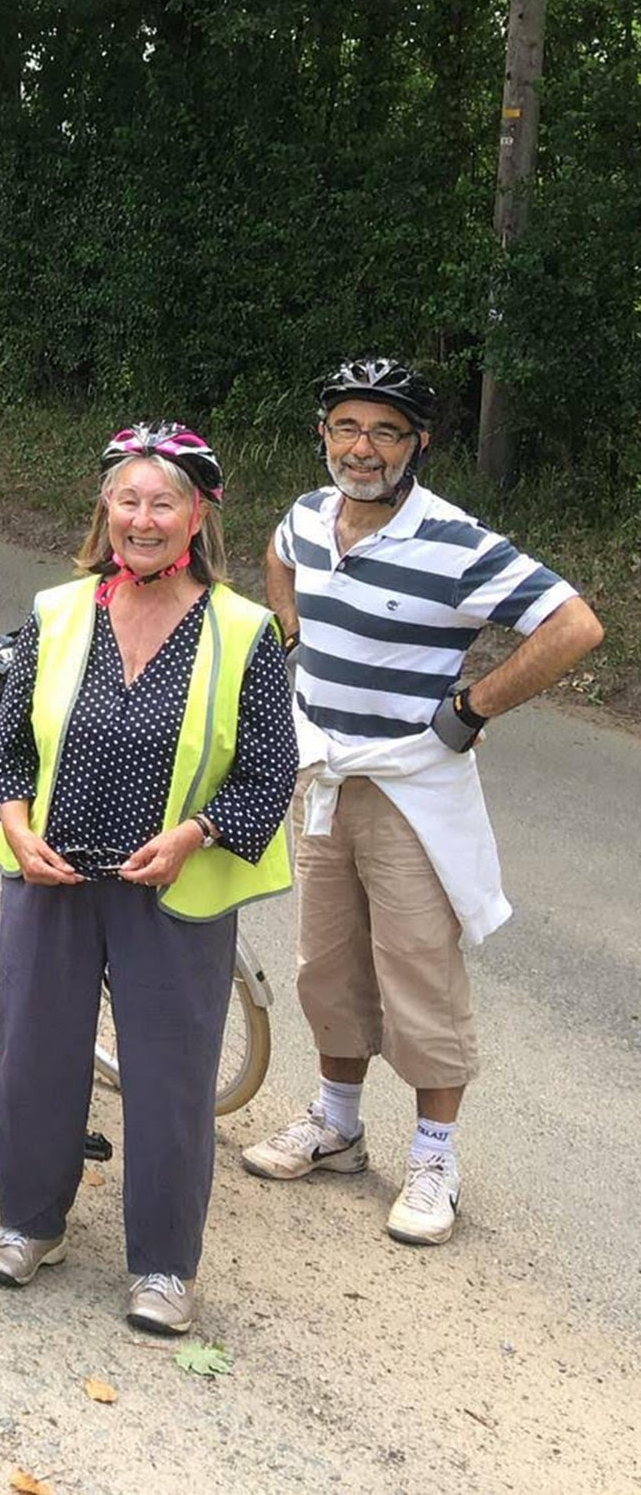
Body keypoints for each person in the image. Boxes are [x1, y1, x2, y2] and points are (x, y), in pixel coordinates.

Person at [242, 358, 602, 1246]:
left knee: (419, 974)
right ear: (324, 434)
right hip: (322, 774)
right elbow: (277, 559)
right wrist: (290, 635)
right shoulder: (307, 515)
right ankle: (336, 1126)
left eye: (385, 432)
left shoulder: (455, 541)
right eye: (347, 429)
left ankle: (435, 1158)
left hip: (410, 789)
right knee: (326, 964)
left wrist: (472, 707)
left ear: (418, 444)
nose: (362, 449)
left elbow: (574, 625)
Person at [0, 422, 297, 1335]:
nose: (143, 519)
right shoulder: (59, 611)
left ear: (197, 517)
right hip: (54, 870)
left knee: (169, 1076)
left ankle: (162, 1267)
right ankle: (30, 1224)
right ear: (105, 511)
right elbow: (5, 750)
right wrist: (14, 823)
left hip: (170, 883)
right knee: (35, 1052)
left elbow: (269, 771)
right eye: (128, 500)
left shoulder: (242, 631)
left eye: (163, 503)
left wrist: (196, 834)